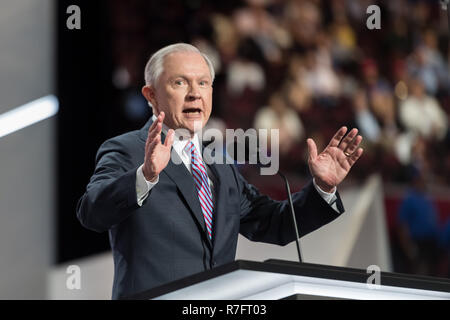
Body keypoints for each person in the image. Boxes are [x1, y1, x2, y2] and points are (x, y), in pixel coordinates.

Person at [76, 43, 364, 299]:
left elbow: (273, 224)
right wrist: (146, 176)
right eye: (180, 82)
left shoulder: (219, 163)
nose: (194, 94)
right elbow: (92, 212)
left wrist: (322, 188)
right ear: (151, 94)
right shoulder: (127, 149)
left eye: (203, 83)